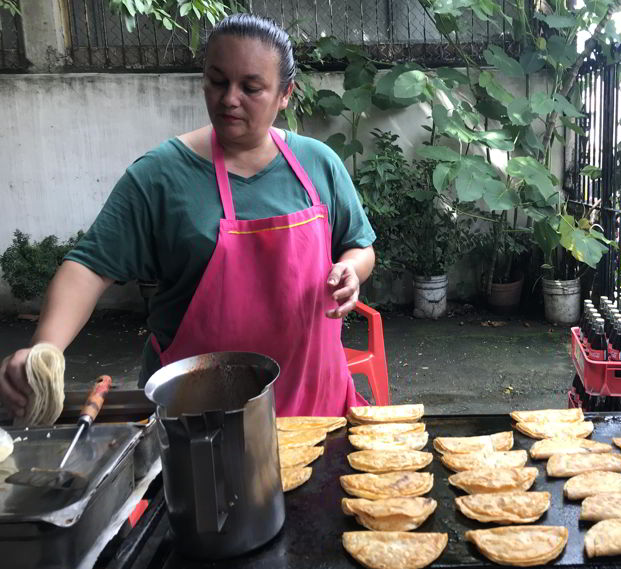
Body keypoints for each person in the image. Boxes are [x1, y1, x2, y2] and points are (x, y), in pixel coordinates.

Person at [0, 14, 376, 418]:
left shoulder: (318, 163)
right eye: (217, 81)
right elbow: (89, 267)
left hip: (314, 401)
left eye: (251, 87)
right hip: (196, 413)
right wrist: (44, 348)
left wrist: (351, 269)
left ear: (285, 94)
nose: (229, 98)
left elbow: (359, 245)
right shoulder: (160, 174)